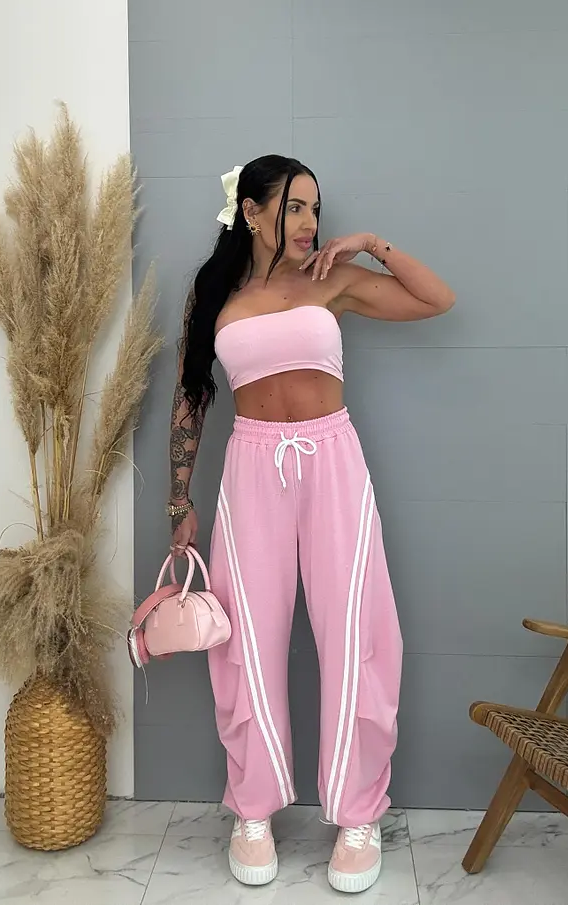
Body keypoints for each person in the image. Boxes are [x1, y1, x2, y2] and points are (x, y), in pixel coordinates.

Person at [167, 155, 454, 894]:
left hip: (333, 461)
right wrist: (179, 499)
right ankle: (252, 810)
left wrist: (370, 244)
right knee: (247, 639)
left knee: (358, 630)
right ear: (251, 211)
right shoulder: (215, 293)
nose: (309, 223)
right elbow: (191, 396)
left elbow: (437, 298)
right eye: (294, 207)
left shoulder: (332, 277)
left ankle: (358, 815)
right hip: (250, 469)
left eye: (315, 209)